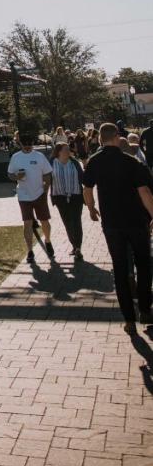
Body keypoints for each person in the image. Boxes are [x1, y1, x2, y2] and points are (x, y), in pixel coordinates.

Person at [82, 122, 153, 335]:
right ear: (116, 137)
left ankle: (128, 319)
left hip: (112, 224)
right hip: (137, 222)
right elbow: (145, 193)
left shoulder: (94, 162)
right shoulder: (131, 162)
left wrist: (92, 208)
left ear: (101, 138)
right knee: (144, 265)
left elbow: (87, 188)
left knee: (120, 269)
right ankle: (145, 309)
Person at [8, 133, 55, 264]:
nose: (28, 147)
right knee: (27, 223)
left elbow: (47, 174)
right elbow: (10, 174)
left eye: (30, 144)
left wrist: (45, 190)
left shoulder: (39, 157)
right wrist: (17, 177)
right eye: (25, 144)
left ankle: (48, 241)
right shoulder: (16, 157)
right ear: (21, 144)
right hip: (23, 195)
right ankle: (30, 251)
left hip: (39, 194)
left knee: (44, 221)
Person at [51, 142, 85, 260]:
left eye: (68, 149)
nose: (68, 151)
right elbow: (45, 178)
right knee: (68, 223)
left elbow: (83, 178)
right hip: (60, 198)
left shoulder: (75, 162)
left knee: (76, 222)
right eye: (65, 150)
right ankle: (74, 245)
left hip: (76, 196)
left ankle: (78, 247)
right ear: (58, 151)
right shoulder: (51, 163)